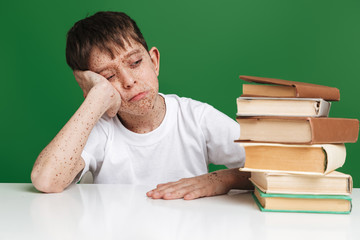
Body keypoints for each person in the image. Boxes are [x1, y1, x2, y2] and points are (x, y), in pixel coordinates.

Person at [31, 11, 252, 200]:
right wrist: (95, 98)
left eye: (135, 63)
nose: (128, 81)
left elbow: (280, 167)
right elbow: (47, 180)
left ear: (154, 61)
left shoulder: (196, 118)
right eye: (108, 76)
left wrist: (222, 179)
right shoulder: (102, 129)